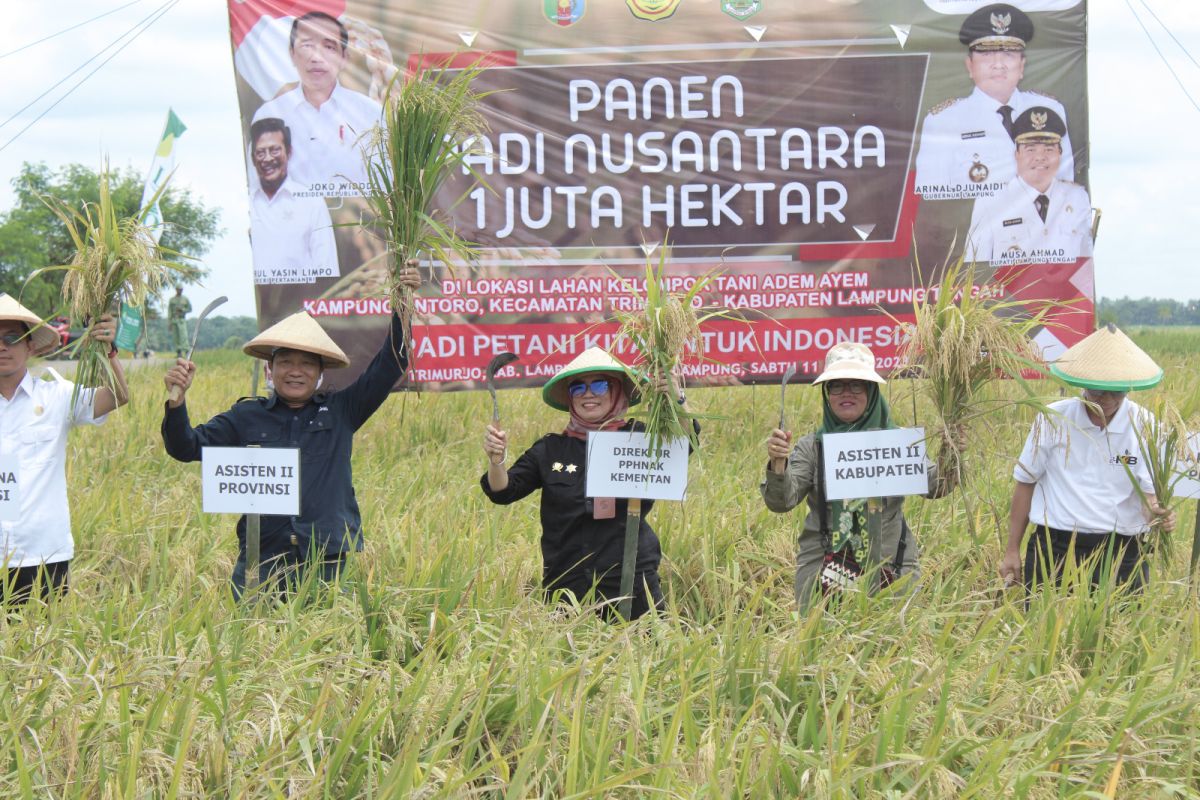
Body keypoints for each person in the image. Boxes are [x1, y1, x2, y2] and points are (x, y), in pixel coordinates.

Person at [161, 266, 419, 598]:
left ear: (321, 373)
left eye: (307, 364)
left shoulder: (342, 410)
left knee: (327, 643)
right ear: (270, 369)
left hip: (326, 557)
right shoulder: (246, 415)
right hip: (263, 557)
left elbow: (392, 364)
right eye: (285, 363)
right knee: (251, 643)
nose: (295, 372)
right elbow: (185, 447)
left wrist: (402, 304)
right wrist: (176, 402)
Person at [480, 347, 691, 621]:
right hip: (568, 582)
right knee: (567, 661)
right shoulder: (552, 449)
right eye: (578, 388)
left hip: (631, 578)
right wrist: (496, 460)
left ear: (618, 391)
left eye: (600, 385)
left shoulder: (639, 439)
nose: (588, 394)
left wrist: (677, 398)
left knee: (644, 656)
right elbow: (503, 491)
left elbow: (683, 445)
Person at [761, 342, 957, 609]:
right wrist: (778, 464)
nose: (846, 393)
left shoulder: (896, 442)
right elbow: (781, 502)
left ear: (871, 391)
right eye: (836, 385)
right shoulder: (814, 446)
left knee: (893, 648)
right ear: (827, 394)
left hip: (892, 567)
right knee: (820, 648)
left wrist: (952, 450)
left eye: (856, 385)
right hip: (824, 569)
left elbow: (936, 487)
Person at [1000, 324, 1174, 595]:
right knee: (1045, 632)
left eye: (1116, 392)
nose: (1105, 400)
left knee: (1120, 631)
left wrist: (1156, 515)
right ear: (1082, 386)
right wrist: (1012, 550)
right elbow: (1025, 483)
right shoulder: (1052, 418)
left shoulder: (1146, 425)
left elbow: (1148, 497)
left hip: (1120, 553)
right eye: (1096, 391)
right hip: (1055, 548)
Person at [0, 294, 127, 604]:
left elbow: (114, 397)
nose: (2, 346)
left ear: (29, 345)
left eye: (12, 338)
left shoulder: (56, 395)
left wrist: (107, 351)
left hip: (43, 555)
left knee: (42, 648)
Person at [914, 3, 1073, 201]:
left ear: (1022, 65)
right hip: (972, 231)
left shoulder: (1050, 110)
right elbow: (930, 200)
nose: (998, 64)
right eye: (987, 54)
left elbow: (1067, 190)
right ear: (970, 65)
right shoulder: (943, 121)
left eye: (1008, 54)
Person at [251, 11, 383, 195]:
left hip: (359, 223)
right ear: (292, 54)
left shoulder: (371, 113)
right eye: (307, 45)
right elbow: (261, 194)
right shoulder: (269, 116)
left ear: (344, 58)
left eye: (329, 47)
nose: (316, 58)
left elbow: (384, 188)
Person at [966, 107, 1092, 265]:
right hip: (1011, 290)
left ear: (1060, 153)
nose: (1040, 157)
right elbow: (974, 269)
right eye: (1030, 149)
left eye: (1049, 149)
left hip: (1064, 290)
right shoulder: (990, 203)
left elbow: (1085, 264)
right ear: (1016, 154)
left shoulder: (1077, 197)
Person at [249, 117, 340, 285]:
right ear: (253, 158)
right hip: (257, 307)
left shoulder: (311, 202)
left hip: (302, 306)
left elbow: (327, 268)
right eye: (261, 152)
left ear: (288, 152)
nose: (267, 158)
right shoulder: (246, 204)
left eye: (275, 150)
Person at [168, 287, 191, 358]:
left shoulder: (185, 299)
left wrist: (182, 309)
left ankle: (187, 351)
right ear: (176, 290)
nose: (180, 291)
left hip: (182, 320)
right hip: (174, 320)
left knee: (184, 336)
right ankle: (179, 352)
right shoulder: (172, 300)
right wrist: (169, 322)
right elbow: (169, 312)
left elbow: (190, 309)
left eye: (181, 289)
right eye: (179, 289)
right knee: (176, 337)